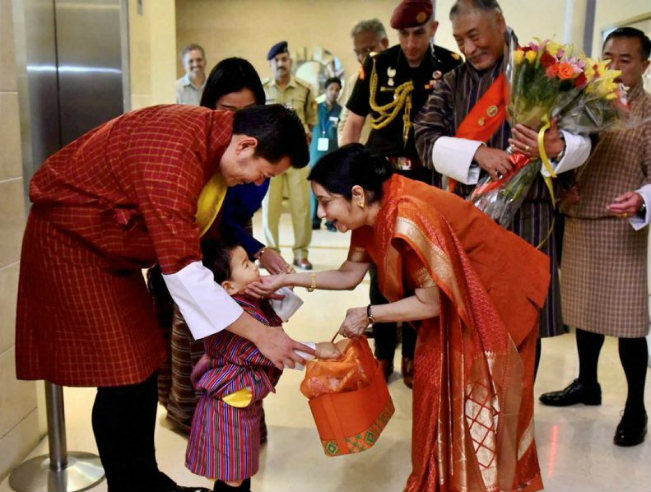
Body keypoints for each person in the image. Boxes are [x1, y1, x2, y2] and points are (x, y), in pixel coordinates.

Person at [15, 103, 313, 492]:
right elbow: (182, 270)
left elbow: (199, 235)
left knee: (143, 363)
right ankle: (131, 487)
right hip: (73, 244)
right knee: (123, 373)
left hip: (114, 251)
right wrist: (261, 333)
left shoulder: (210, 145)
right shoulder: (175, 153)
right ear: (246, 145)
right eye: (264, 174)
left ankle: (145, 479)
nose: (258, 183)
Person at [248, 144, 549, 491]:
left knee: (477, 408)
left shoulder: (408, 216)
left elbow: (430, 303)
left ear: (357, 194)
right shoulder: (371, 209)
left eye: (326, 201)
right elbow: (349, 274)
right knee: (438, 396)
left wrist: (369, 314)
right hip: (455, 306)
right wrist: (286, 280)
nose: (322, 213)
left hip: (494, 297)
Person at [414, 0, 592, 374]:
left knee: (524, 323)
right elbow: (425, 138)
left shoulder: (547, 71)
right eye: (459, 40)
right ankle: (476, 402)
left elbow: (587, 137)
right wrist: (478, 152)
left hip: (531, 219)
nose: (468, 48)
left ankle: (517, 405)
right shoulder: (451, 84)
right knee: (471, 318)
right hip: (470, 218)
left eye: (474, 36)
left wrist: (557, 147)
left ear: (499, 22)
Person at [156, 57, 293, 433]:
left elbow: (235, 214)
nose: (239, 123)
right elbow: (208, 218)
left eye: (249, 112)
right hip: (195, 237)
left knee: (241, 319)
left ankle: (239, 414)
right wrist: (257, 248)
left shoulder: (258, 151)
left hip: (235, 238)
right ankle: (189, 415)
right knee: (192, 325)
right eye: (229, 111)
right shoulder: (196, 155)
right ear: (209, 107)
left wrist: (254, 250)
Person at [539, 28, 651, 447]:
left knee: (628, 323)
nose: (614, 67)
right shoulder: (581, 104)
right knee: (584, 313)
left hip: (620, 229)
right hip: (578, 222)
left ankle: (636, 407)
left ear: (644, 65)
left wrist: (641, 199)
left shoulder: (648, 113)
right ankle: (588, 383)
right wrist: (562, 183)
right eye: (607, 57)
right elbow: (560, 158)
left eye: (625, 59)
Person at [340, 0, 462, 387]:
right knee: (381, 266)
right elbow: (354, 123)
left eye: (418, 33)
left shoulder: (451, 65)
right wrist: (347, 177)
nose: (410, 42)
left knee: (418, 267)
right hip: (382, 177)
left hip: (426, 177)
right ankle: (383, 354)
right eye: (404, 34)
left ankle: (413, 353)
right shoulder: (377, 65)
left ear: (434, 30)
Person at [185, 237, 340, 492]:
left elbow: (273, 320)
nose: (255, 267)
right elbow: (271, 350)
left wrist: (284, 283)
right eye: (246, 265)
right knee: (233, 473)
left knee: (239, 467)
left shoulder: (244, 300)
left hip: (242, 402)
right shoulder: (231, 320)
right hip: (229, 408)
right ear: (227, 287)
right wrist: (318, 350)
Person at [262, 41, 318, 270]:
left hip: (296, 159)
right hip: (269, 158)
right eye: (276, 60)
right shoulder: (263, 89)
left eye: (284, 59)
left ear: (290, 61)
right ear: (270, 64)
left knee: (301, 207)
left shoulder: (304, 89)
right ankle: (272, 253)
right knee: (270, 207)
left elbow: (311, 122)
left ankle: (301, 254)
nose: (280, 63)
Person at [337, 18, 390, 145]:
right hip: (363, 152)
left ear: (385, 43)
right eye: (357, 52)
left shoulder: (400, 75)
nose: (361, 58)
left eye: (367, 50)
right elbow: (344, 123)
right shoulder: (356, 80)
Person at [309, 76, 342, 231]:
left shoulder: (340, 111)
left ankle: (330, 222)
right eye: (331, 89)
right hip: (316, 153)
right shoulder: (315, 108)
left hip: (332, 154)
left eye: (337, 90)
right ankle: (314, 220)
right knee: (314, 188)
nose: (334, 92)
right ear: (325, 90)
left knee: (330, 190)